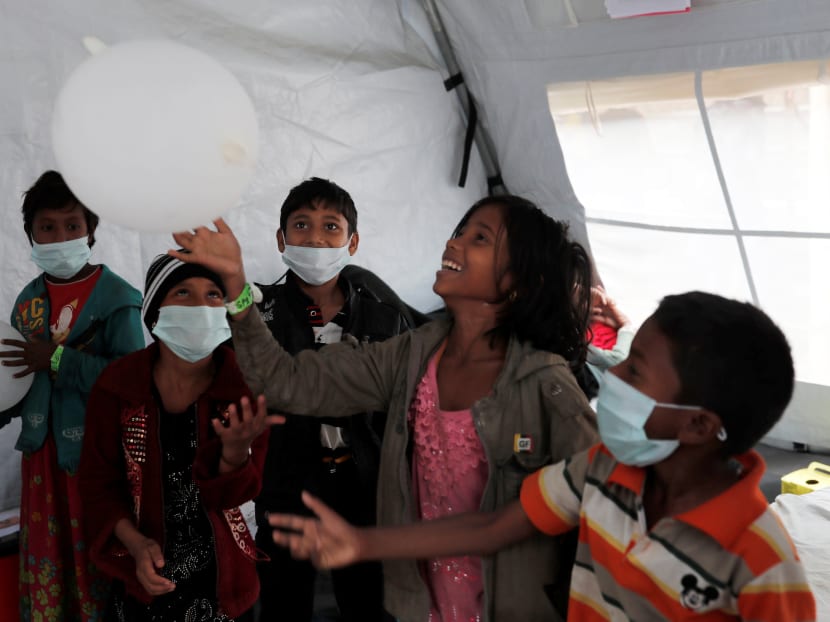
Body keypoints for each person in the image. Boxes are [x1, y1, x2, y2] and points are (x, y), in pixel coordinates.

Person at [171, 194, 600, 622]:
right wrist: (235, 286)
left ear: (517, 281)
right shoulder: (411, 356)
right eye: (460, 232)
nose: (453, 243)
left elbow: (603, 510)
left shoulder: (545, 388)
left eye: (480, 238)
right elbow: (283, 382)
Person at [269, 291, 817, 622]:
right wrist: (364, 543)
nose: (613, 378)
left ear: (698, 424)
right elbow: (492, 528)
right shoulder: (602, 469)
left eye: (635, 371)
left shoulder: (762, 562)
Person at [77, 253, 280, 621]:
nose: (201, 306)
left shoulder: (245, 388)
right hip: (142, 580)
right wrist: (136, 545)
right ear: (155, 311)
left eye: (213, 295)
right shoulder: (117, 387)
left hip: (223, 585)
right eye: (183, 293)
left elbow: (237, 497)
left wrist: (235, 454)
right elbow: (98, 486)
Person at [252, 177, 412, 622]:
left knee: (369, 605)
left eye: (331, 227)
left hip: (363, 487)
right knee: (283, 605)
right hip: (285, 484)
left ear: (352, 242)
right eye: (301, 225)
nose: (316, 239)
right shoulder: (258, 316)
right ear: (281, 239)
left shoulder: (384, 318)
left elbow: (402, 411)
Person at [0, 170, 145, 621]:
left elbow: (133, 382)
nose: (60, 237)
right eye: (47, 227)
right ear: (30, 234)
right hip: (41, 459)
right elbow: (20, 381)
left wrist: (59, 359)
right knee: (48, 559)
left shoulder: (118, 299)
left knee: (96, 562)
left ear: (91, 231)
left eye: (72, 225)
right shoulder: (27, 303)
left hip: (96, 460)